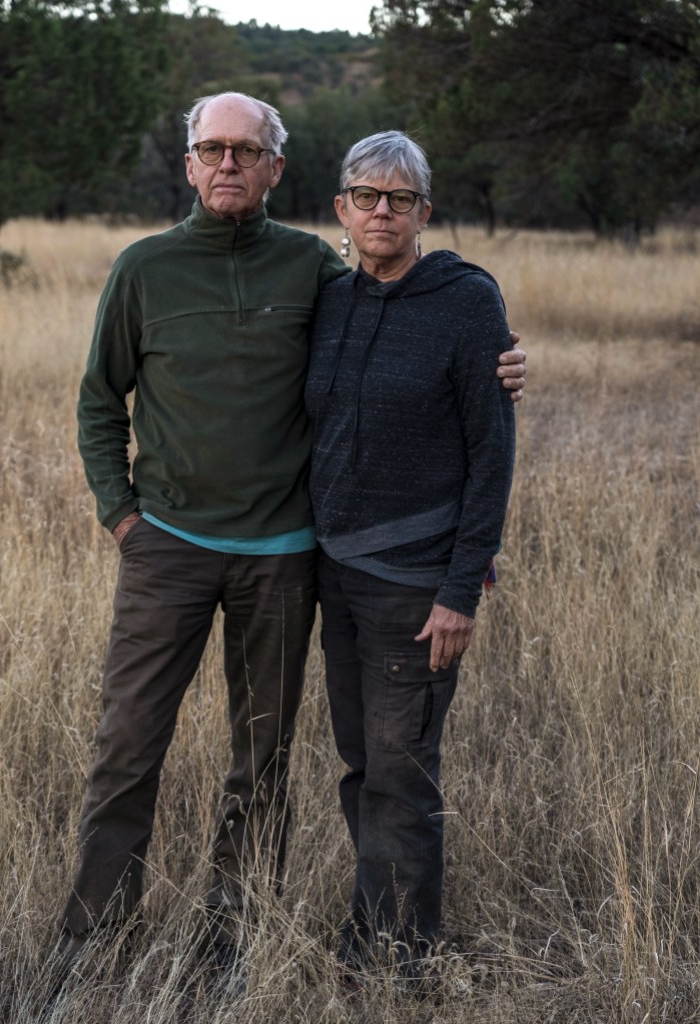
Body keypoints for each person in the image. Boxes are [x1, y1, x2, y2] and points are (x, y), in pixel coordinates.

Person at [54, 94, 526, 981]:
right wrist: (120, 512)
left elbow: (431, 316)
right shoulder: (148, 269)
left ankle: (234, 940)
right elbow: (95, 398)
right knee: (127, 745)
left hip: (284, 558)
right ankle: (91, 940)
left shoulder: (313, 270)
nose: (227, 163)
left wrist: (500, 359)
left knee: (262, 756)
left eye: (247, 150)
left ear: (278, 168)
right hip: (169, 548)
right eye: (211, 149)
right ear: (189, 164)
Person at [305, 131, 516, 983]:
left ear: (424, 211)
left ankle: (398, 960)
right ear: (340, 211)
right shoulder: (330, 296)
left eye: (399, 199)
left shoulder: (464, 303)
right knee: (363, 765)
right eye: (366, 196)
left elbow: (491, 450)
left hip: (414, 584)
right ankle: (377, 927)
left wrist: (461, 588)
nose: (381, 212)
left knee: (401, 773)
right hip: (333, 574)